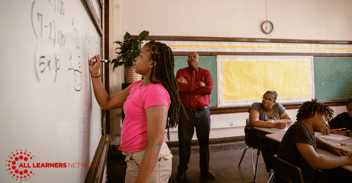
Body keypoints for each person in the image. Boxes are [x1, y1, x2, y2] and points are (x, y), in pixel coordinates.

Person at [89, 40, 183, 183]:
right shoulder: (137, 86)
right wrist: (95, 74)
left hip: (151, 161)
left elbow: (155, 144)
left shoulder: (156, 92)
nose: (136, 59)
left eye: (140, 56)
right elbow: (106, 102)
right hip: (133, 158)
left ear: (152, 63)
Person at [278, 99, 352, 183]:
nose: (327, 123)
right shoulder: (298, 129)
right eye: (325, 118)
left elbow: (313, 140)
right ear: (314, 113)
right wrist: (348, 159)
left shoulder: (305, 129)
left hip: (301, 176)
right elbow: (316, 162)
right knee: (346, 175)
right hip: (302, 179)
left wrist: (330, 147)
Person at [175, 52, 214, 181]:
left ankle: (205, 169)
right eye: (189, 57)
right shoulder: (181, 72)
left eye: (194, 57)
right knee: (184, 142)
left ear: (198, 60)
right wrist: (198, 85)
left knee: (204, 142)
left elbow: (209, 90)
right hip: (186, 112)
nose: (191, 59)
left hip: (203, 112)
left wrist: (189, 87)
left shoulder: (206, 73)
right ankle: (182, 169)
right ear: (187, 60)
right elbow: (180, 88)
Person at [248, 90, 292, 172]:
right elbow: (254, 122)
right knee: (268, 143)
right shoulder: (256, 105)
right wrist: (275, 125)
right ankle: (273, 168)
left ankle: (283, 167)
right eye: (264, 98)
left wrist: (275, 121)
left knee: (284, 142)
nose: (265, 100)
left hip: (272, 134)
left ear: (274, 102)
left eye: (269, 99)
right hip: (255, 135)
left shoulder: (277, 106)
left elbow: (288, 119)